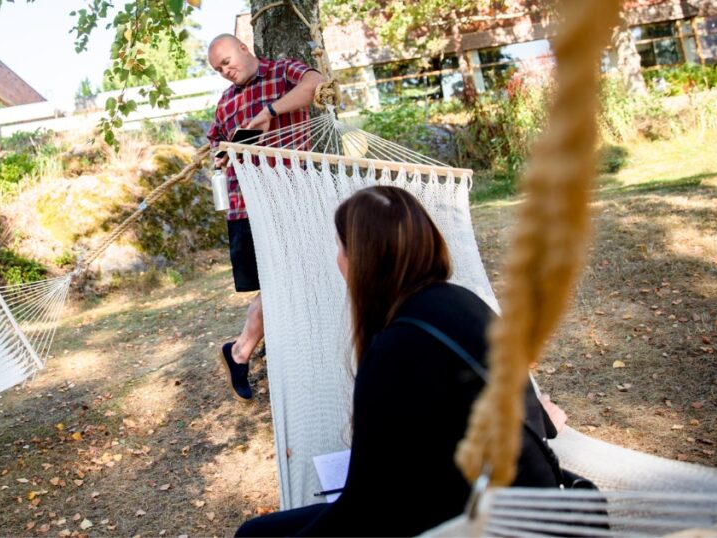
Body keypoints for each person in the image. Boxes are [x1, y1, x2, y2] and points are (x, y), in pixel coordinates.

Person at [235, 186, 569, 536]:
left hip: (471, 520)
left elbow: (362, 509)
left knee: (254, 535)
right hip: (505, 503)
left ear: (363, 260)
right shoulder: (463, 301)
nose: (337, 259)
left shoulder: (395, 348)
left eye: (340, 247)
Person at [206, 33, 324, 401]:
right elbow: (216, 142)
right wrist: (220, 156)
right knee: (278, 284)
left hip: (294, 199)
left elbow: (316, 84)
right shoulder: (225, 103)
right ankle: (244, 352)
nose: (225, 71)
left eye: (227, 60)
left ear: (244, 47)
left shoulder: (282, 71)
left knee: (294, 279)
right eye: (218, 69)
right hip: (246, 207)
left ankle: (241, 351)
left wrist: (268, 114)